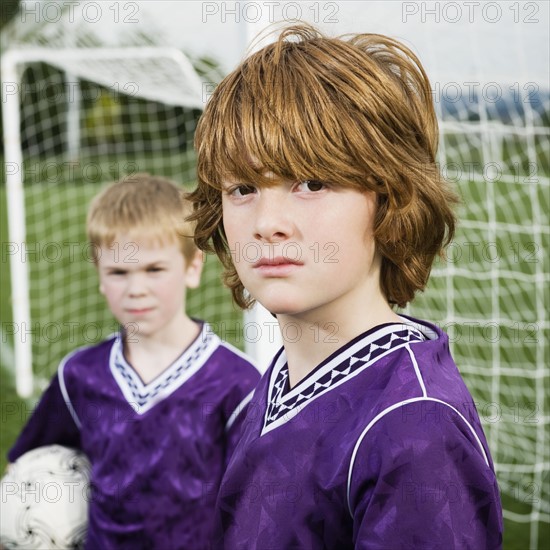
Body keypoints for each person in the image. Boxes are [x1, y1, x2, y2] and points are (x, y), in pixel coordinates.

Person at [188, 24, 503, 549]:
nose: (268, 221)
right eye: (243, 188)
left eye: (311, 183)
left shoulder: (414, 430)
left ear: (390, 195)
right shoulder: (289, 379)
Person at [8, 174, 260, 549]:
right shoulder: (79, 376)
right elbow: (28, 470)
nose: (136, 288)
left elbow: (260, 506)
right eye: (119, 272)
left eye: (154, 270)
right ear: (99, 276)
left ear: (192, 268)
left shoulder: (237, 383)